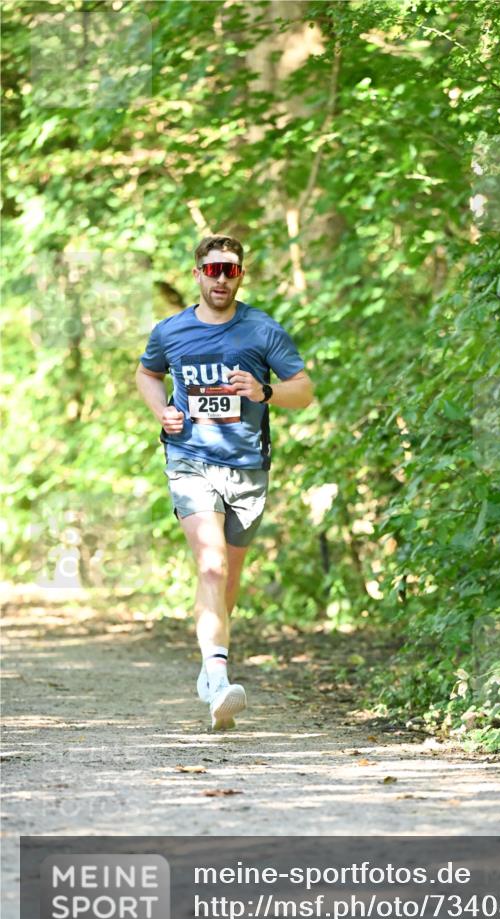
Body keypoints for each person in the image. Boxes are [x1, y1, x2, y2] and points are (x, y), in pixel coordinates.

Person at [136, 235, 314, 731]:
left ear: (240, 275)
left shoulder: (261, 330)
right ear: (197, 274)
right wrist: (163, 412)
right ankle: (218, 680)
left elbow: (304, 391)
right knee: (210, 566)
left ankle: (210, 660)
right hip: (190, 459)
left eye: (229, 271)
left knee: (228, 578)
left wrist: (266, 390)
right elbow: (146, 374)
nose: (220, 278)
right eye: (212, 270)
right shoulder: (171, 331)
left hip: (248, 468)